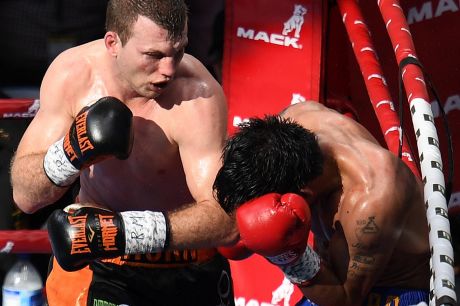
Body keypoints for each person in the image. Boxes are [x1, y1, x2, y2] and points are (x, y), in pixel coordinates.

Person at [9, 1, 238, 305]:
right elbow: (25, 196)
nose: (169, 69)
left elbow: (225, 220)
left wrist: (124, 232)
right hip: (100, 263)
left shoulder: (197, 96)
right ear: (113, 42)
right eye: (153, 56)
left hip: (187, 263)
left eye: (178, 51)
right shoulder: (74, 76)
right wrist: (68, 154)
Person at [213, 101, 430, 306]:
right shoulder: (298, 117)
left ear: (300, 194)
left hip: (393, 291)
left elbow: (346, 299)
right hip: (336, 281)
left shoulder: (371, 202)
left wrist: (286, 258)